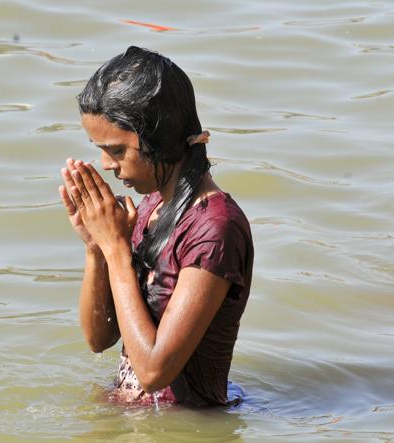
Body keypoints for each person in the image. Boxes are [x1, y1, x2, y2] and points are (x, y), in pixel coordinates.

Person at [58, 46, 254, 407]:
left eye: (117, 150)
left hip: (185, 426)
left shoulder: (216, 229)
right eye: (99, 149)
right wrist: (96, 248)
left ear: (158, 140)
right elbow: (99, 338)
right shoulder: (153, 207)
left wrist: (117, 250)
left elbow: (152, 372)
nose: (106, 165)